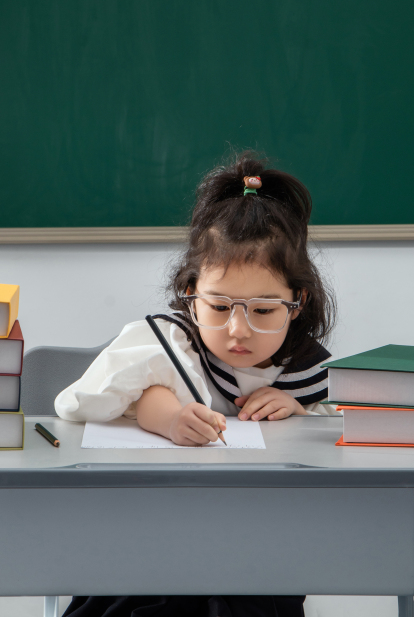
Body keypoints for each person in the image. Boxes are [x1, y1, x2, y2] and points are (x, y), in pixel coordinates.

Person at [55, 151, 337, 617]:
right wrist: (163, 413)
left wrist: (300, 417)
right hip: (146, 547)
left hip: (258, 559)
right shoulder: (168, 343)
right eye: (220, 307)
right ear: (190, 293)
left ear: (297, 301)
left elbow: (347, 455)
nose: (238, 330)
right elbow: (78, 404)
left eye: (263, 310)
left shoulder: (308, 370)